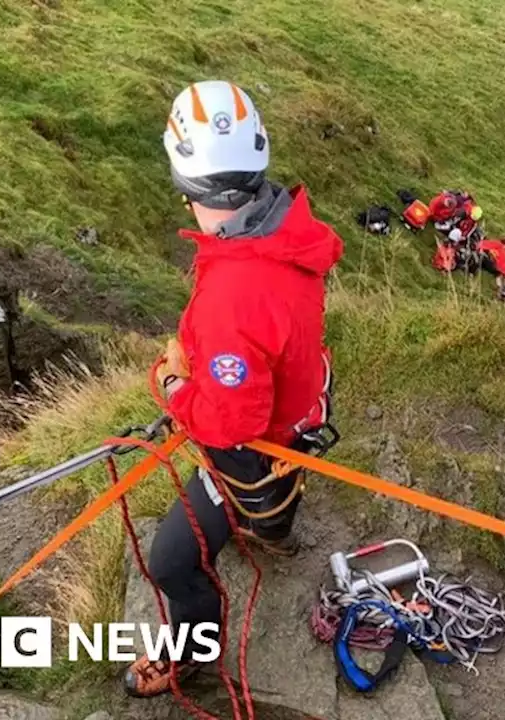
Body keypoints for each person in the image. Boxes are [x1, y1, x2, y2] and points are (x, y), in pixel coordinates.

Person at [124, 80, 344, 699]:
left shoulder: (232, 294)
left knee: (171, 561)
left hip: (255, 443)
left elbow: (229, 423)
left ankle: (191, 652)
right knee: (273, 499)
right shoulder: (286, 233)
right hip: (299, 415)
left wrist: (172, 387)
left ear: (182, 176)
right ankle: (271, 530)